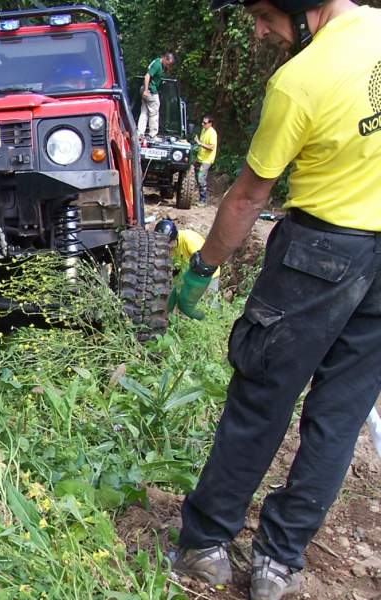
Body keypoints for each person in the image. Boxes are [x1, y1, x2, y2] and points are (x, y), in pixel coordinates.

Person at [167, 1, 381, 599]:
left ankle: (206, 545)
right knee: (338, 419)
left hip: (318, 253)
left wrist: (204, 267)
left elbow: (245, 197)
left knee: (261, 396)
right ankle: (278, 564)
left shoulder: (300, 80)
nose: (259, 29)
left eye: (263, 13)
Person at [155, 219, 220, 315]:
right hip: (189, 274)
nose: (166, 248)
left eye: (168, 245)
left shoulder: (189, 240)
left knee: (210, 306)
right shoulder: (171, 248)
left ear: (175, 238)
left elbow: (205, 262)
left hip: (208, 273)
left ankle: (218, 323)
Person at [137, 51, 175, 140]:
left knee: (144, 112)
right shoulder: (157, 65)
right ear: (165, 59)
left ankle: (140, 133)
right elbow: (147, 76)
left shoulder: (156, 61)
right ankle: (153, 134)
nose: (168, 66)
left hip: (146, 90)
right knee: (154, 113)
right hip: (151, 91)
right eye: (168, 64)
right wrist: (146, 90)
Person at [193, 116, 218, 205]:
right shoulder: (203, 130)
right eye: (202, 122)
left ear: (210, 123)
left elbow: (211, 147)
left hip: (207, 160)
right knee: (196, 177)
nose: (202, 124)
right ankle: (200, 197)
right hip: (200, 158)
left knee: (201, 178)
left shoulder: (212, 133)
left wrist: (200, 143)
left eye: (205, 123)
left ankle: (203, 200)